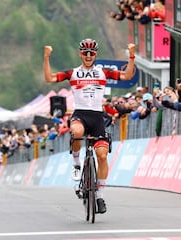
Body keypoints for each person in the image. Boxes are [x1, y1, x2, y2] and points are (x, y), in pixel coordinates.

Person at [44, 38, 136, 214]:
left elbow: (127, 75)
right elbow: (49, 78)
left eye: (91, 53)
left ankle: (100, 196)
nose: (88, 56)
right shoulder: (73, 73)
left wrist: (131, 56)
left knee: (102, 156)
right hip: (80, 114)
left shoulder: (103, 72)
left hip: (97, 117)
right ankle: (77, 164)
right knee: (77, 132)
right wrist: (46, 57)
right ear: (80, 54)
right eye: (85, 53)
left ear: (95, 55)